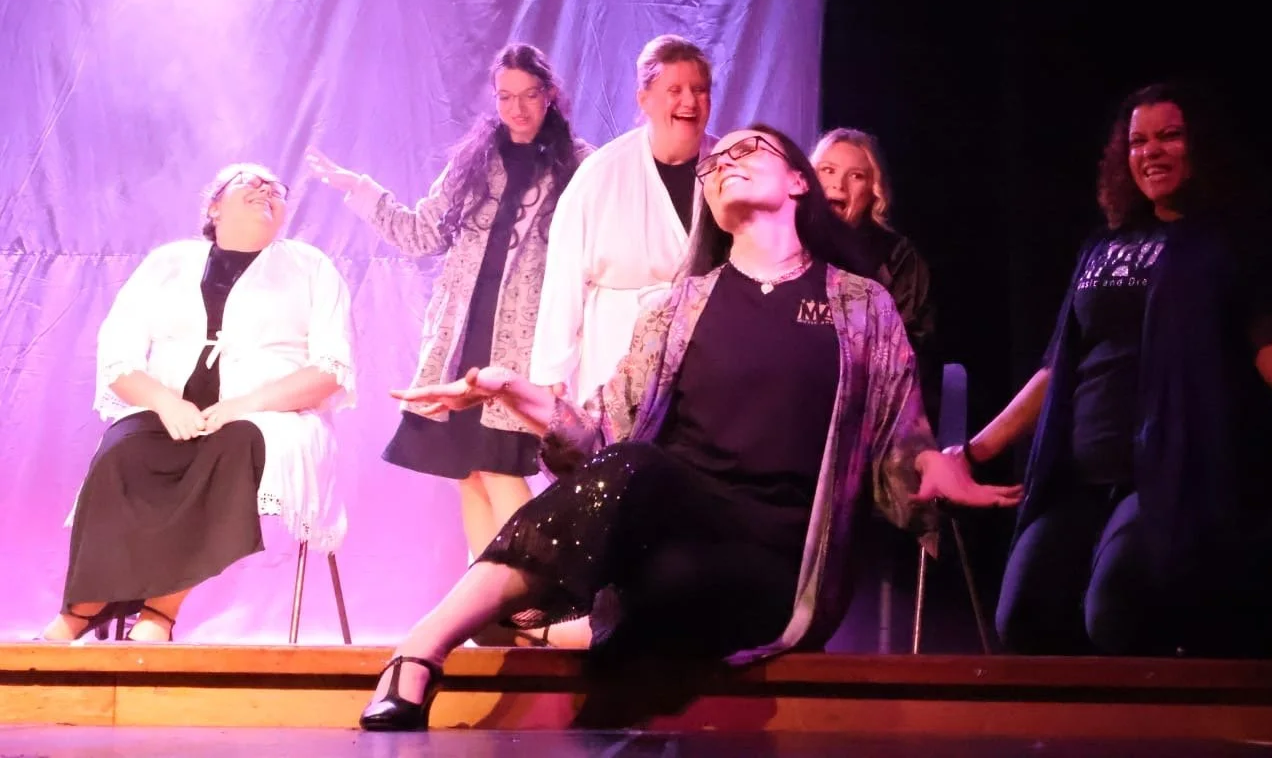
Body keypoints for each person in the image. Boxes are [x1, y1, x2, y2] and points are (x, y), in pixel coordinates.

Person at [358, 124, 1020, 731]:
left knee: (663, 591)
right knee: (646, 510)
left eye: (750, 148)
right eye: (718, 158)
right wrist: (515, 393)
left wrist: (932, 466)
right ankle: (421, 650)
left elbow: (900, 437)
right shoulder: (677, 309)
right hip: (674, 525)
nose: (728, 159)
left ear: (798, 181)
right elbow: (598, 441)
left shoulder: (859, 305)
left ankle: (584, 641)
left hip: (780, 559)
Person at [964, 82, 1272, 657]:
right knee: (1022, 614)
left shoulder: (1228, 243)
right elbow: (1057, 369)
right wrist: (972, 453)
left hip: (1168, 474)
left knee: (1116, 609)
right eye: (1138, 141)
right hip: (1080, 473)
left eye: (1169, 136)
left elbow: (1268, 333)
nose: (1152, 151)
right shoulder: (1101, 246)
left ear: (1200, 146)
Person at [40, 164, 355, 643]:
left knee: (234, 445)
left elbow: (331, 370)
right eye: (250, 181)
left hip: (271, 418)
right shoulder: (168, 263)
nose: (266, 188)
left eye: (275, 187)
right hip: (171, 411)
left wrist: (243, 405)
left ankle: (159, 613)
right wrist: (165, 403)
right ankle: (85, 607)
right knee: (122, 449)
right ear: (213, 206)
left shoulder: (311, 268)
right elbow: (119, 356)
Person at [307, 44, 590, 561]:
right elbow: (420, 234)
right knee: (471, 473)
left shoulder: (580, 167)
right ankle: (489, 612)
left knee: (501, 468)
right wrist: (361, 190)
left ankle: (538, 592)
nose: (518, 109)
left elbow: (590, 262)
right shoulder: (476, 161)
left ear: (550, 96)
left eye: (529, 95)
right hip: (462, 338)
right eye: (506, 97)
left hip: (525, 344)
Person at [528, 34, 719, 401]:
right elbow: (564, 277)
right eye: (674, 89)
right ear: (643, 99)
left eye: (699, 89)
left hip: (707, 351)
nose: (689, 102)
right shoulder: (601, 173)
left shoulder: (731, 167)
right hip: (618, 353)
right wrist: (552, 373)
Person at [811, 127, 939, 423]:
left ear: (874, 192)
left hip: (872, 412)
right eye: (827, 170)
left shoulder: (899, 258)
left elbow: (912, 351)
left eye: (856, 176)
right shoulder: (788, 244)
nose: (838, 185)